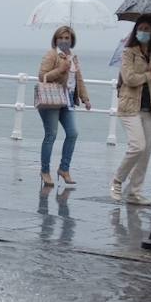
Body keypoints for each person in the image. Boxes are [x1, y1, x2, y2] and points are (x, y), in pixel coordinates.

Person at [111, 16, 151, 205]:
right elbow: (129, 78)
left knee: (145, 152)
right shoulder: (128, 52)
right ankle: (117, 180)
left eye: (148, 29)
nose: (144, 32)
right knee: (137, 146)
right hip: (129, 106)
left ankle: (135, 192)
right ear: (135, 31)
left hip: (150, 108)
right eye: (141, 28)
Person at [37, 25, 92, 187]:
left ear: (72, 40)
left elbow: (78, 79)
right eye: (60, 38)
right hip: (52, 99)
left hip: (68, 100)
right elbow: (42, 76)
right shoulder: (51, 55)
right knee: (51, 135)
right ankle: (45, 170)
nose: (64, 41)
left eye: (67, 38)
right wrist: (60, 70)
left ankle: (64, 169)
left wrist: (85, 98)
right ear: (55, 39)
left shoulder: (73, 58)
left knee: (73, 133)